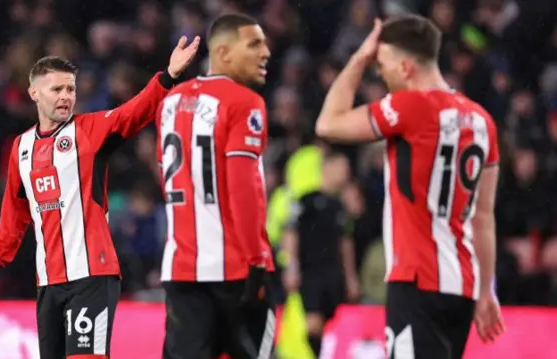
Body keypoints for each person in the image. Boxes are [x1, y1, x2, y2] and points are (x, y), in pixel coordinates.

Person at [0, 36, 200, 359]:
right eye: (56, 89)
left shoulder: (90, 131)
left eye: (71, 89)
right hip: (48, 282)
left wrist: (168, 76)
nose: (66, 96)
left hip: (92, 276)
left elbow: (135, 112)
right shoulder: (20, 149)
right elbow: (14, 217)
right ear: (34, 93)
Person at [315, 15, 505, 359]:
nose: (379, 73)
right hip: (462, 286)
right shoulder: (482, 121)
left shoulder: (410, 106)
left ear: (405, 67)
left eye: (382, 65)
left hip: (417, 281)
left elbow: (328, 124)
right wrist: (486, 290)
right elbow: (484, 217)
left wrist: (358, 58)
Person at [155, 13, 275, 359]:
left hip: (181, 268)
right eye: (254, 44)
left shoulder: (170, 103)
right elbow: (242, 187)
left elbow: (167, 175)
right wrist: (255, 260)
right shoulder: (244, 102)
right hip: (235, 268)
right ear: (222, 52)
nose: (265, 52)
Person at [281, 152, 361, 357]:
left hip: (334, 272)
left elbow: (345, 242)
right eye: (341, 169)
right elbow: (290, 234)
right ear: (328, 168)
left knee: (331, 324)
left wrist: (350, 277)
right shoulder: (306, 201)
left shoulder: (339, 205)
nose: (345, 174)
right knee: (313, 324)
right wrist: (291, 267)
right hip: (311, 272)